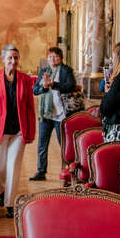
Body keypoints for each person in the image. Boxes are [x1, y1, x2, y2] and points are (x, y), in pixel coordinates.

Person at [0, 45, 36, 218]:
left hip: (18, 131)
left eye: (16, 58)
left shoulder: (25, 79)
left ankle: (9, 202)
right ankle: (1, 190)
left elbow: (30, 107)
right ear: (3, 59)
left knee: (13, 166)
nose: (13, 61)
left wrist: (30, 132)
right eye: (10, 58)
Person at [29, 46, 77, 181]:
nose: (52, 59)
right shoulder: (44, 71)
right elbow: (35, 90)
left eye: (55, 56)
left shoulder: (66, 70)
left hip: (61, 114)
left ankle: (68, 171)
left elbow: (71, 86)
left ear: (61, 58)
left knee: (64, 144)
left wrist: (54, 84)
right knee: (42, 144)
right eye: (50, 56)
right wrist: (44, 87)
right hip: (46, 114)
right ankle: (41, 171)